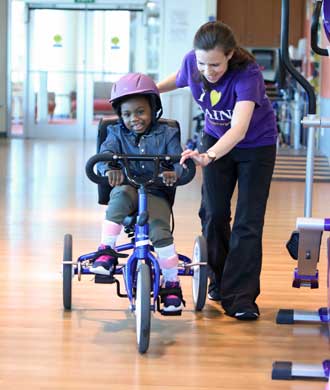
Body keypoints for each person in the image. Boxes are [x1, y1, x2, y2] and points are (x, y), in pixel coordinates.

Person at [157, 21, 277, 320]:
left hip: (255, 146)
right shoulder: (193, 62)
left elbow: (238, 129)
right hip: (214, 138)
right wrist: (150, 90)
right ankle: (219, 282)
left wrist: (208, 156)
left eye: (215, 65)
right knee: (213, 214)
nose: (207, 71)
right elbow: (181, 77)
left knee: (248, 222)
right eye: (202, 64)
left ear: (230, 55)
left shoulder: (247, 73)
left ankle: (241, 298)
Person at [90, 72, 185, 314]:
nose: (135, 119)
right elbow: (104, 156)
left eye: (141, 111)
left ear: (154, 109)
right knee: (120, 196)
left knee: (161, 231)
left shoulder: (168, 134)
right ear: (120, 116)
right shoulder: (115, 133)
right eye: (127, 114)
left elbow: (179, 162)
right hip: (127, 186)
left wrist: (174, 172)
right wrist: (110, 167)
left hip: (156, 191)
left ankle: (172, 283)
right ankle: (106, 249)